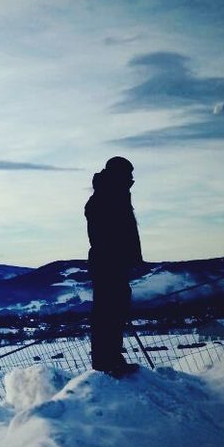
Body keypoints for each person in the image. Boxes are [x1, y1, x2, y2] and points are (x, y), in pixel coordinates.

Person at [85, 156, 143, 378]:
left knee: (116, 311)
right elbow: (108, 235)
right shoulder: (105, 198)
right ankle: (105, 362)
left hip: (113, 263)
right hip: (108, 263)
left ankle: (113, 359)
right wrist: (119, 256)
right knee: (107, 313)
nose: (131, 180)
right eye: (128, 175)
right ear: (118, 176)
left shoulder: (113, 196)